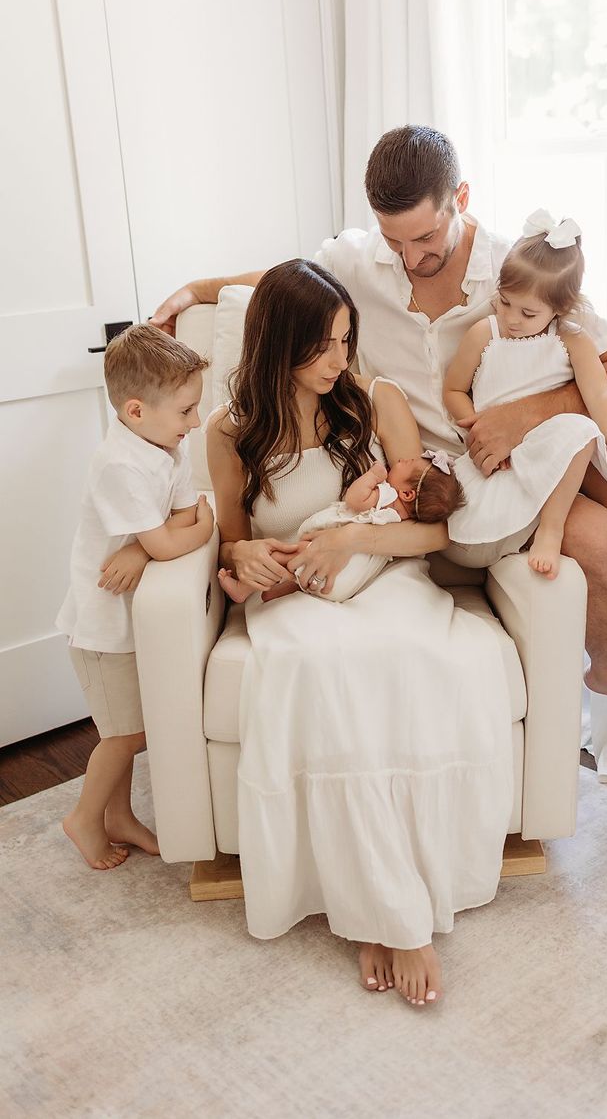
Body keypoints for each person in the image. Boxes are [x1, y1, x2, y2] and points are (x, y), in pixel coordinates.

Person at [150, 124, 607, 820]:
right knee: (598, 545)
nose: (410, 256)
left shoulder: (519, 269)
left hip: (539, 451)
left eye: (424, 239)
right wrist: (193, 291)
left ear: (460, 200)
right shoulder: (361, 264)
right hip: (458, 480)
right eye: (394, 240)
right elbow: (279, 283)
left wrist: (525, 414)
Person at [205, 259, 512, 1006]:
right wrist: (242, 553)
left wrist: (350, 542)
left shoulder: (377, 402)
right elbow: (233, 543)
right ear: (277, 343)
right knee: (321, 670)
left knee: (399, 655)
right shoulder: (232, 430)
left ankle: (385, 909)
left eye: (347, 340)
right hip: (296, 595)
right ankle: (388, 913)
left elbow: (430, 534)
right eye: (323, 346)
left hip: (383, 576)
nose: (340, 360)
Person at [444, 210, 607, 677]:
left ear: (560, 311)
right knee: (577, 437)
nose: (512, 319)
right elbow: (454, 388)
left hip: (571, 444)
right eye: (504, 303)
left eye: (528, 313)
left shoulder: (573, 340)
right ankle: (552, 527)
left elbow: (602, 395)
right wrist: (474, 426)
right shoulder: (487, 333)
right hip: (518, 454)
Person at [57, 325, 215, 870]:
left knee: (129, 727)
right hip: (102, 627)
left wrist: (149, 549)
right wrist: (176, 538)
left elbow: (179, 518)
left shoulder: (165, 444)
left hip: (132, 617)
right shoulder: (120, 464)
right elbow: (182, 531)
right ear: (135, 411)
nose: (195, 423)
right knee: (123, 733)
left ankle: (118, 815)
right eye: (186, 411)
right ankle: (84, 819)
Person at [218, 450, 464, 604]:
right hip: (352, 579)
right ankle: (282, 589)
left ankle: (244, 588)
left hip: (341, 560)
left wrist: (373, 476)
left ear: (408, 493)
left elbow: (355, 501)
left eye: (407, 462)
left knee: (288, 553)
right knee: (298, 566)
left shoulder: (386, 495)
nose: (400, 459)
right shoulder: (402, 518)